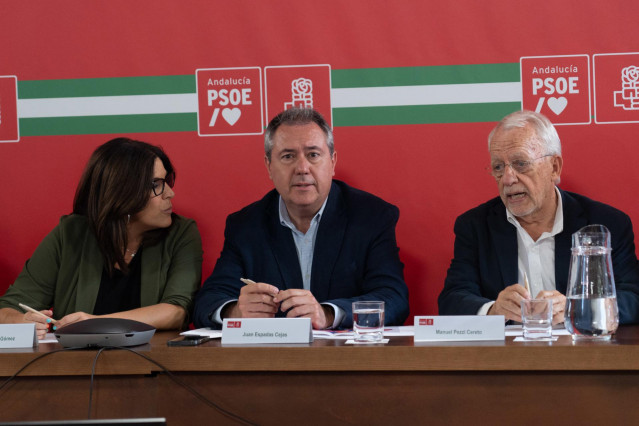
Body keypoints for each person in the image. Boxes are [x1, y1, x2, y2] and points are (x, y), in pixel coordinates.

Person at [193, 107, 409, 330]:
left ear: (332, 162)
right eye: (288, 156)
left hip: (349, 360)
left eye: (313, 155)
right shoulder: (246, 225)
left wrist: (327, 314)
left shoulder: (371, 216)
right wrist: (236, 311)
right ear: (269, 166)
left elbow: (393, 298)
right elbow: (208, 300)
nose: (302, 168)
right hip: (274, 360)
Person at [438, 110, 639, 325]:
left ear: (554, 167)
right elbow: (452, 299)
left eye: (520, 163)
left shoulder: (604, 224)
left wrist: (578, 310)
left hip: (582, 353)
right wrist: (493, 310)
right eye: (498, 167)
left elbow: (633, 297)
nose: (507, 179)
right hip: (504, 356)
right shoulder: (475, 226)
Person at [0, 138, 203, 339]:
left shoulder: (181, 233)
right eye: (157, 185)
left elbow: (176, 311)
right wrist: (20, 322)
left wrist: (96, 323)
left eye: (167, 182)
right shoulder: (70, 234)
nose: (170, 193)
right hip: (73, 366)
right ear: (123, 192)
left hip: (153, 366)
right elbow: (6, 309)